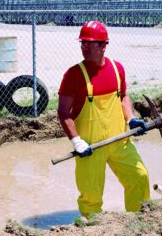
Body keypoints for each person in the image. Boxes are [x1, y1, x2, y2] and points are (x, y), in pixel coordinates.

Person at [57, 21, 150, 219]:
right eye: (82, 43)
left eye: (90, 43)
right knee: (91, 195)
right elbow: (63, 111)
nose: (84, 47)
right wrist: (76, 141)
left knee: (139, 177)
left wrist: (131, 118)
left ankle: (140, 221)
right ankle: (92, 232)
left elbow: (123, 96)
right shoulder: (73, 75)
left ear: (104, 45)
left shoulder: (117, 69)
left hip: (120, 141)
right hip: (90, 148)